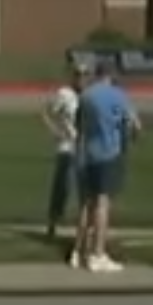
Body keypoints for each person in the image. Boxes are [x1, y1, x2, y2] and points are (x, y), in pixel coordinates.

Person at [71, 59, 140, 273]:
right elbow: (130, 123)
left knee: (87, 205)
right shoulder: (117, 95)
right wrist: (134, 136)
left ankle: (79, 251)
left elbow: (78, 124)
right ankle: (98, 253)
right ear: (111, 75)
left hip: (88, 153)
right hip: (109, 153)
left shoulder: (87, 96)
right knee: (103, 203)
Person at [43, 59, 89, 248]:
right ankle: (53, 223)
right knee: (62, 188)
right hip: (68, 148)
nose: (81, 79)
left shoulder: (91, 96)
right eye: (78, 75)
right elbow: (46, 112)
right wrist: (55, 131)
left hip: (87, 150)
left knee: (87, 193)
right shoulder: (64, 94)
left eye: (85, 75)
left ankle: (85, 230)